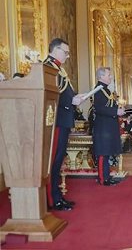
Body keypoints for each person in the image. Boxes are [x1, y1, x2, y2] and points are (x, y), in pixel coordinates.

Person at [43, 38, 86, 211]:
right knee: (53, 161)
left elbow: (63, 92)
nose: (67, 56)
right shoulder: (48, 68)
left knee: (58, 160)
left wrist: (75, 99)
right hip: (55, 121)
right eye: (65, 52)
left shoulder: (58, 69)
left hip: (63, 119)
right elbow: (51, 95)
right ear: (54, 49)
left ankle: (57, 195)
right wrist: (71, 101)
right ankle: (52, 199)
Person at [92, 67, 125, 186]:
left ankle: (107, 176)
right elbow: (99, 109)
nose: (110, 77)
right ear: (101, 77)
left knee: (107, 153)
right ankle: (103, 178)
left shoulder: (106, 90)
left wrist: (118, 110)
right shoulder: (98, 90)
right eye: (108, 75)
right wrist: (115, 112)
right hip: (103, 128)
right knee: (103, 153)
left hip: (109, 127)